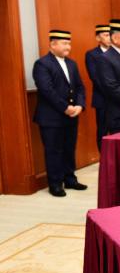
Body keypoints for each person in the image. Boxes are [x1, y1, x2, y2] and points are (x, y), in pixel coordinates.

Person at [33, 29, 87, 197]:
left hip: (71, 115)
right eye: (64, 43)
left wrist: (80, 105)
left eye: (69, 43)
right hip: (51, 117)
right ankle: (55, 184)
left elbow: (80, 87)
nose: (68, 47)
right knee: (54, 151)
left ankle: (70, 179)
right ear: (53, 44)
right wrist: (65, 107)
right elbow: (46, 90)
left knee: (69, 149)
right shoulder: (42, 64)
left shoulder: (72, 64)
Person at [85, 24, 110, 150]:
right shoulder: (92, 54)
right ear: (98, 38)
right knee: (102, 130)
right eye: (106, 35)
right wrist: (113, 92)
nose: (109, 38)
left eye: (110, 35)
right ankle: (104, 157)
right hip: (103, 99)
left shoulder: (117, 53)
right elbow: (95, 77)